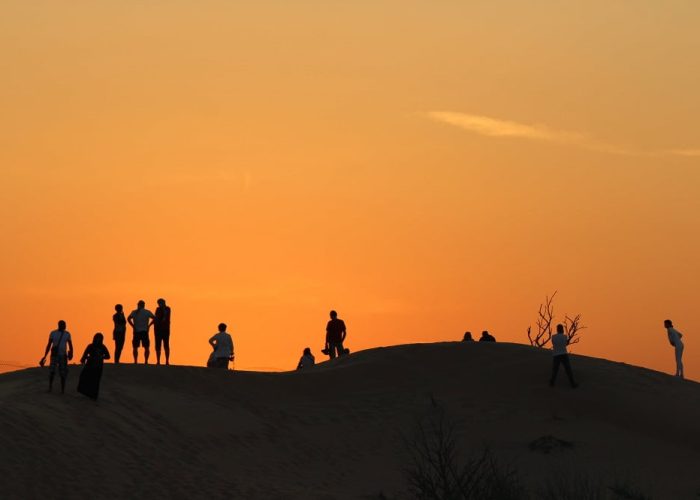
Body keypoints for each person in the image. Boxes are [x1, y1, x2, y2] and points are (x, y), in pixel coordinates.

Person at [40, 320, 74, 394]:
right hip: (54, 355)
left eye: (65, 325)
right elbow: (49, 345)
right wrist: (45, 355)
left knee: (63, 373)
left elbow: (70, 345)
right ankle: (50, 387)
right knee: (52, 371)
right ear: (59, 325)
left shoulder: (67, 334)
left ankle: (62, 390)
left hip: (63, 355)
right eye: (63, 325)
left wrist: (71, 354)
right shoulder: (53, 333)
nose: (65, 326)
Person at [77, 333, 111, 400]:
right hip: (90, 365)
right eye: (97, 338)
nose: (98, 339)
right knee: (84, 377)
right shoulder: (90, 346)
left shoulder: (103, 347)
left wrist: (101, 357)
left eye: (100, 338)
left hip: (98, 366)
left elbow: (108, 356)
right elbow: (85, 354)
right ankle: (86, 392)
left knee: (96, 381)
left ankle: (94, 396)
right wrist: (85, 358)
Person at [550, 324, 577, 388]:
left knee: (555, 370)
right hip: (564, 354)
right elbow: (565, 344)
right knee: (568, 369)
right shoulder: (565, 336)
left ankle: (552, 382)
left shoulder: (553, 336)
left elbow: (554, 343)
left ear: (557, 329)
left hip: (556, 354)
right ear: (562, 329)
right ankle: (572, 384)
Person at [127, 300, 155, 364]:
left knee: (135, 347)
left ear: (138, 305)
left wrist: (133, 326)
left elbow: (128, 318)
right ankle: (146, 361)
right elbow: (154, 318)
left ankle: (135, 361)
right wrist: (149, 325)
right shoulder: (147, 312)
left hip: (137, 331)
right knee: (146, 347)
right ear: (144, 305)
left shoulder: (134, 312)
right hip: (144, 331)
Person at [154, 298, 172, 365]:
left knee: (166, 344)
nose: (159, 305)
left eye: (160, 303)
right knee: (158, 345)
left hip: (165, 329)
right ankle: (158, 361)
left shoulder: (167, 309)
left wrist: (163, 309)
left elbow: (165, 316)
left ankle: (167, 361)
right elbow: (156, 318)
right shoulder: (158, 309)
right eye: (159, 303)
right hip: (158, 329)